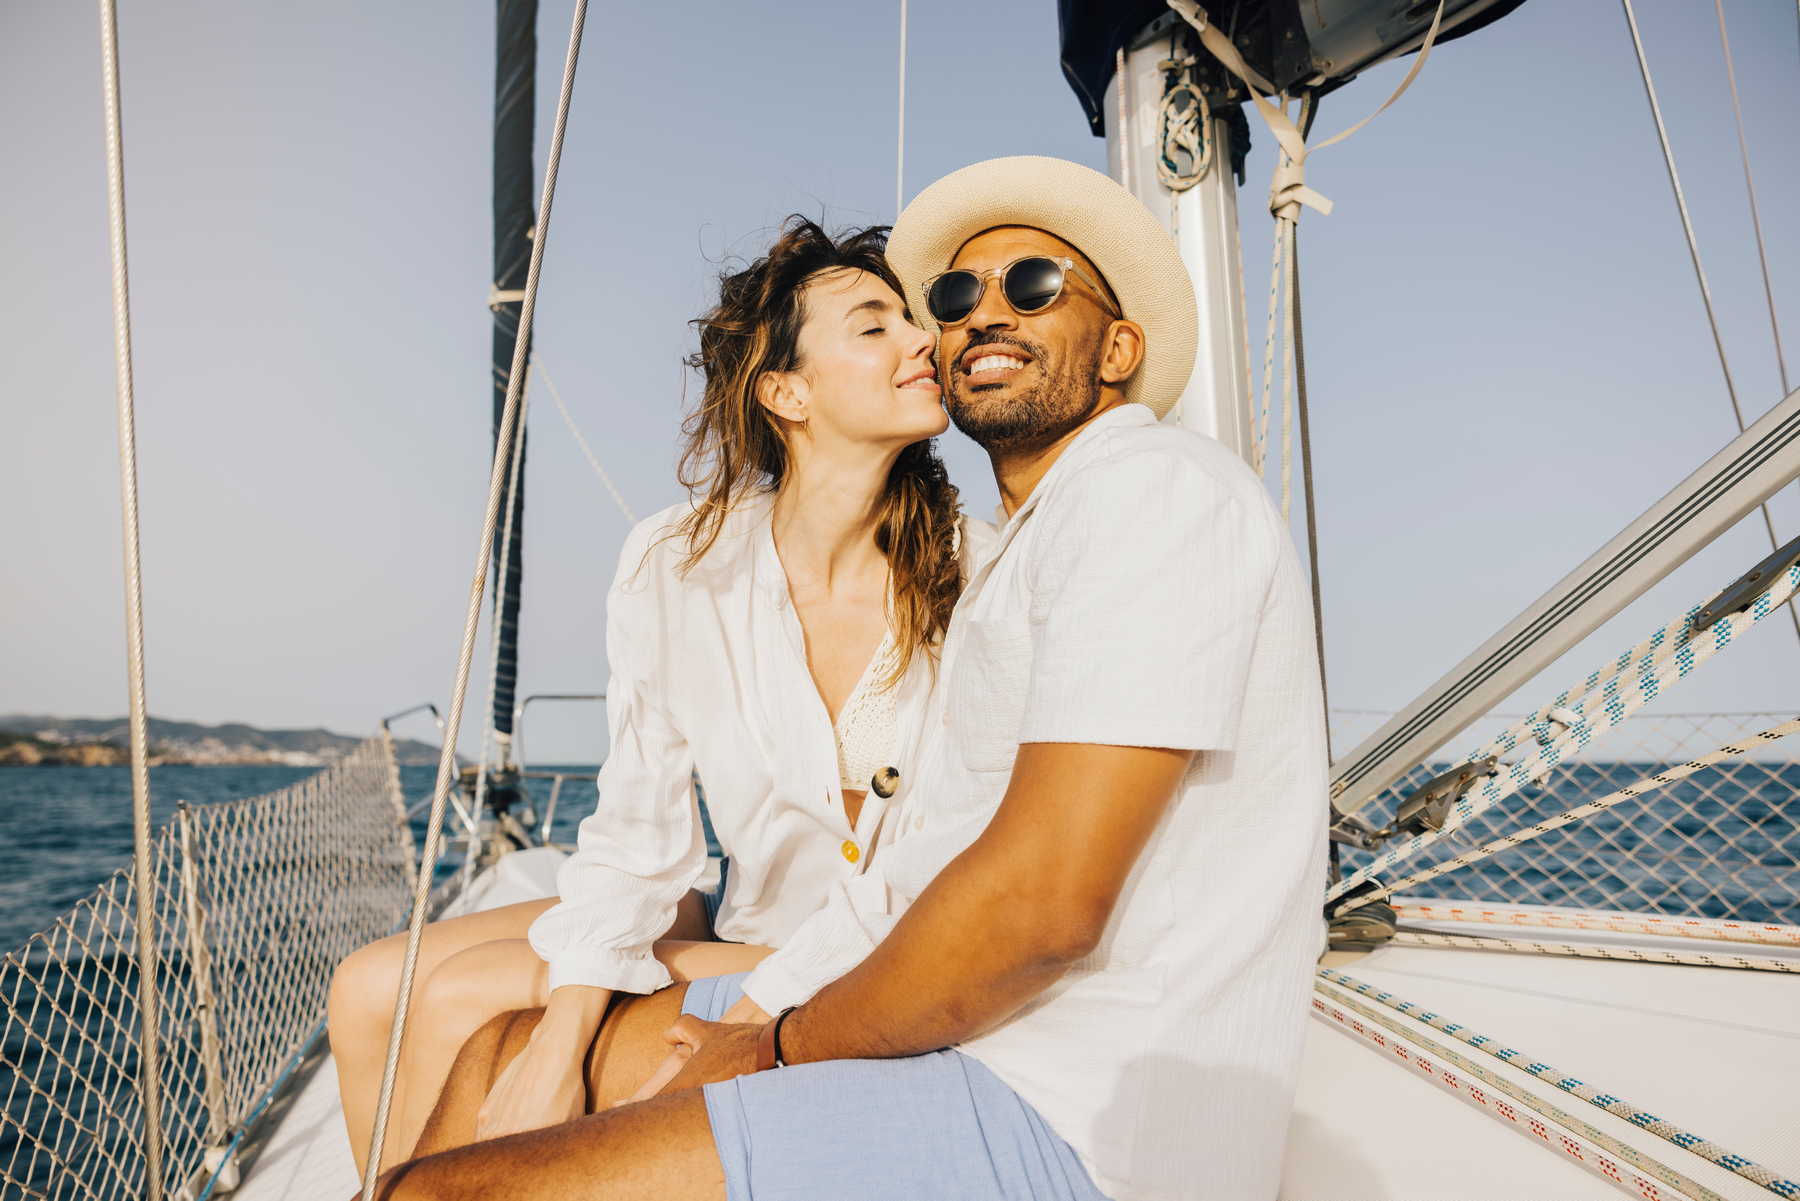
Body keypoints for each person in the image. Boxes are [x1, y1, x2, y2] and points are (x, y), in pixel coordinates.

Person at [369, 156, 1328, 1201]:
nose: (971, 320)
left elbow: (1042, 906)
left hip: (1074, 1114)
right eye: (955, 297)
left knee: (439, 1189)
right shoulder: (1024, 552)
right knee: (496, 1051)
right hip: (965, 1030)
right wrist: (756, 1013)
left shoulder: (1148, 498)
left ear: (1121, 348)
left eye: (1037, 287)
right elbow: (923, 864)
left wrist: (776, 1043)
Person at [326, 216, 989, 1174]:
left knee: (457, 997)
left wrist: (561, 1035)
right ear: (786, 392)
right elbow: (642, 834)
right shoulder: (682, 564)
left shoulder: (978, 576)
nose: (924, 339)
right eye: (875, 324)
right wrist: (562, 1036)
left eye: (911, 320)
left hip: (875, 954)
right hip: (743, 923)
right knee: (363, 987)